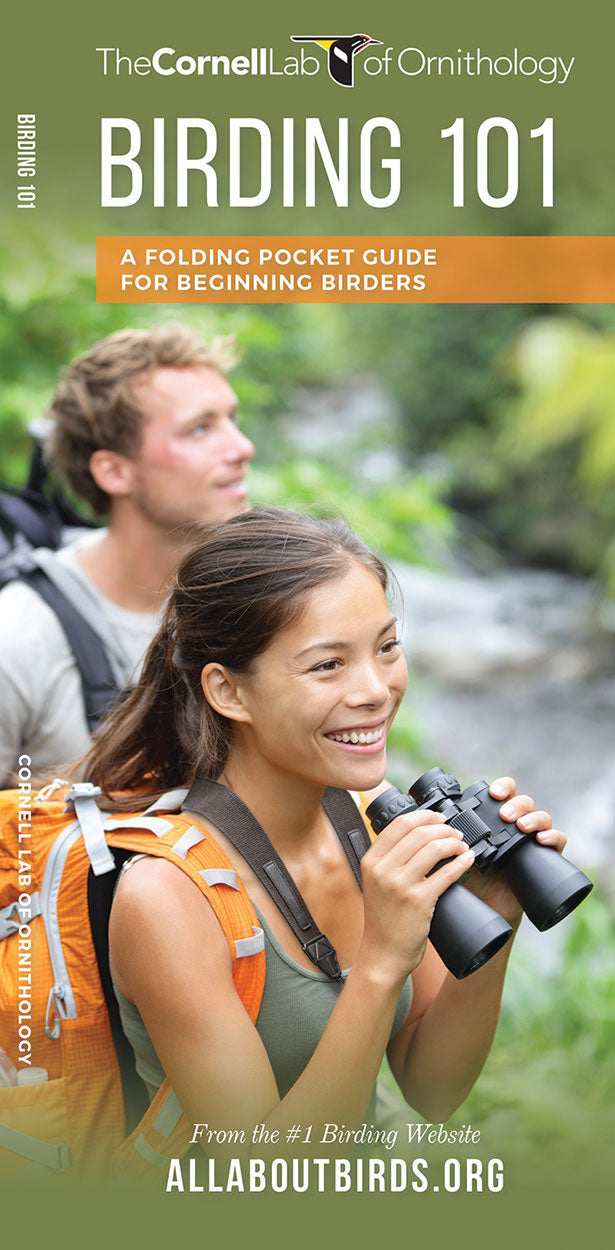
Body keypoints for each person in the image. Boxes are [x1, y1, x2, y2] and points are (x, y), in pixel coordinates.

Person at [82, 507, 566, 1154]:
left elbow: (432, 1087)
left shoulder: (371, 821)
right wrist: (379, 961)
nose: (376, 690)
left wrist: (496, 909)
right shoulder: (167, 899)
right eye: (326, 666)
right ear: (229, 692)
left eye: (386, 647)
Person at [0, 324, 255, 784]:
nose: (242, 447)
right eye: (200, 428)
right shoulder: (18, 641)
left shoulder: (260, 603)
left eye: (232, 420)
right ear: (114, 471)